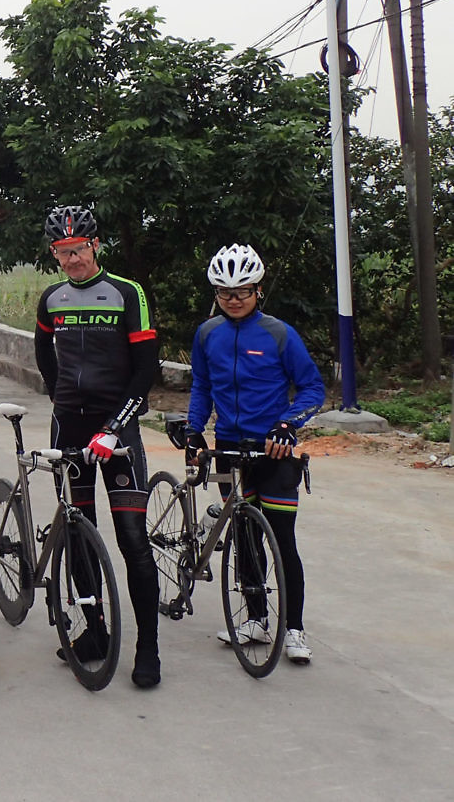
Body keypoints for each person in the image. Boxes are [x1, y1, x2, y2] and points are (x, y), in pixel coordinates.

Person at [33, 205, 162, 688]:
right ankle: (96, 631)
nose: (73, 260)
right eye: (63, 253)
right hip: (69, 425)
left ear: (96, 245)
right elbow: (44, 353)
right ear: (54, 254)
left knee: (131, 535)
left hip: (118, 426)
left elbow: (145, 369)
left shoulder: (128, 293)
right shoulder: (52, 298)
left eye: (79, 250)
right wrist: (59, 397)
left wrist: (113, 426)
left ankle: (147, 648)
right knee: (77, 531)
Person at [186, 243, 324, 664]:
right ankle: (257, 619)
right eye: (225, 293)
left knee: (282, 540)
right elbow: (202, 388)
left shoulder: (279, 333)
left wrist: (288, 424)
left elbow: (313, 389)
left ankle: (295, 628)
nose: (234, 299)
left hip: (274, 452)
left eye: (242, 291)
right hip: (229, 448)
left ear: (257, 290)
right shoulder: (208, 333)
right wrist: (194, 431)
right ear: (215, 294)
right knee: (244, 536)